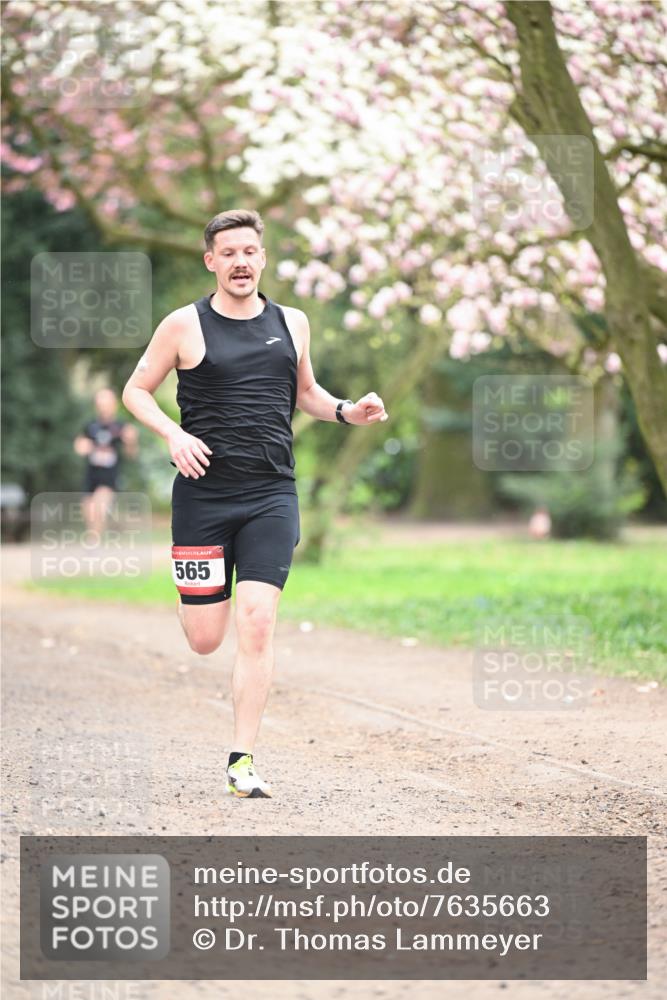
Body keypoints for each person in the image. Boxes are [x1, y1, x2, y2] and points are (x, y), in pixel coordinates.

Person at [122, 208, 388, 798]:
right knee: (205, 639)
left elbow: (306, 392)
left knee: (259, 621)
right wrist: (173, 435)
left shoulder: (293, 322)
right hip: (203, 496)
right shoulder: (183, 325)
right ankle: (194, 598)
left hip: (271, 494)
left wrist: (347, 411)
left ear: (262, 258)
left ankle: (241, 761)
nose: (240, 262)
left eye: (249, 251)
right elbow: (135, 390)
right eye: (229, 253)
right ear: (211, 261)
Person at [74, 388, 139, 536]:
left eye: (107, 404)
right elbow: (79, 445)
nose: (104, 407)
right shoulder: (90, 425)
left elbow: (131, 454)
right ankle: (94, 537)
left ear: (114, 405)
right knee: (88, 510)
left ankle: (93, 541)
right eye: (100, 404)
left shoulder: (121, 426)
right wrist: (82, 447)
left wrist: (131, 442)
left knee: (99, 507)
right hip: (91, 475)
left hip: (110, 476)